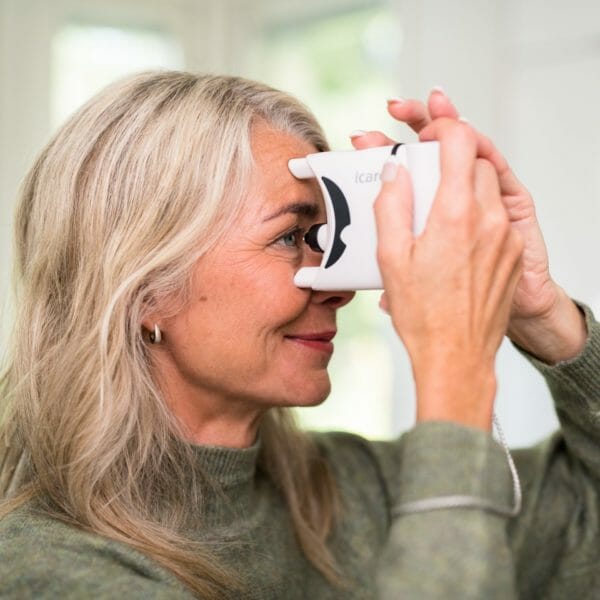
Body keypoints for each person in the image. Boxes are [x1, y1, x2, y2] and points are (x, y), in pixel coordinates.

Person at [0, 71, 596, 599]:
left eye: (333, 237)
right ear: (146, 288)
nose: (339, 287)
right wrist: (453, 365)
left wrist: (541, 314)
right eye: (293, 237)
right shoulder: (50, 569)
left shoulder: (353, 493)